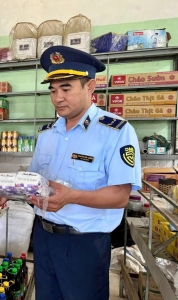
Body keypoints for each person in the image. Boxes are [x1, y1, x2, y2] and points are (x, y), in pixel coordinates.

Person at [28, 46, 142, 300]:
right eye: (53, 90)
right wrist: (7, 192)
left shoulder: (115, 132)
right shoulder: (47, 134)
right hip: (43, 238)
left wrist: (71, 196)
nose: (58, 98)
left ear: (90, 87)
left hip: (84, 244)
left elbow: (120, 196)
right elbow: (34, 182)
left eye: (66, 88)